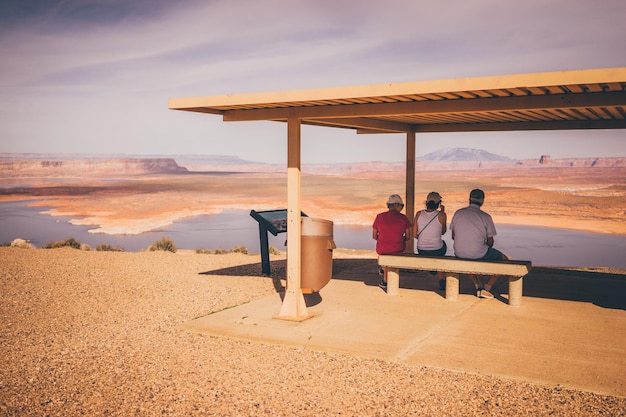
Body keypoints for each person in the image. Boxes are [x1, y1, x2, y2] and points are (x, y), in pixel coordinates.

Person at [449, 188, 509, 299]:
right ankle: (487, 288)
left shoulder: (458, 213)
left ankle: (477, 284)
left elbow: (453, 236)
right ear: (482, 201)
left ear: (469, 199)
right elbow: (490, 242)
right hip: (478, 253)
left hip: (459, 252)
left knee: (466, 257)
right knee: (505, 260)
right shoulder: (485, 217)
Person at [372, 194, 412, 289]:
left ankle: (384, 271)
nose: (402, 208)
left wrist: (385, 239)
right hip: (398, 249)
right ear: (397, 205)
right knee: (393, 252)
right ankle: (385, 281)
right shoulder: (403, 218)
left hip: (382, 249)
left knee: (386, 253)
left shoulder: (379, 217)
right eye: (402, 206)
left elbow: (374, 236)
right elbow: (408, 236)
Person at [414, 192, 448, 290]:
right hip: (437, 250)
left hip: (422, 249)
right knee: (443, 245)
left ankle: (432, 268)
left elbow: (414, 234)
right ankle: (441, 279)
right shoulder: (442, 215)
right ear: (439, 203)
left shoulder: (419, 214)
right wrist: (442, 212)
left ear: (427, 202)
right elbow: (443, 232)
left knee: (434, 248)